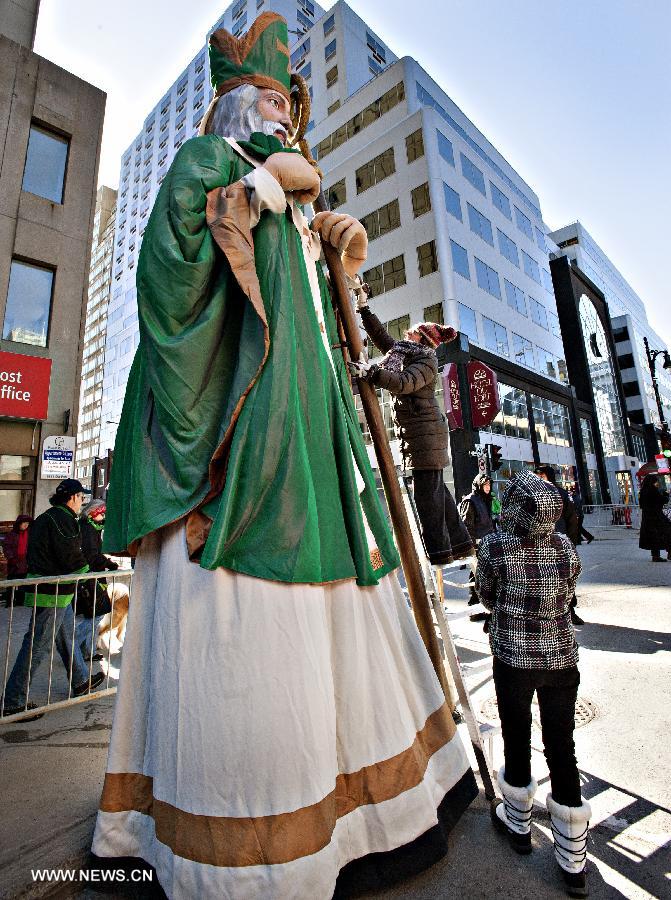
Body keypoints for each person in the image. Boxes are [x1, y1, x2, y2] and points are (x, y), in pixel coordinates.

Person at [91, 14, 476, 898]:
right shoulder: (206, 166)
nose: (283, 116)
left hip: (312, 433)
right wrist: (260, 189)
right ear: (237, 106)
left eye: (286, 105)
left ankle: (370, 809)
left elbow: (319, 319)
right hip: (250, 433)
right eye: (269, 99)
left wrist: (327, 238)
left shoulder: (287, 192)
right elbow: (170, 280)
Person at [476, 470, 591, 898]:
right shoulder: (564, 547)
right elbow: (569, 591)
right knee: (563, 747)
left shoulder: (495, 546)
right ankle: (573, 858)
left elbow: (487, 595)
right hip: (562, 659)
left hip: (513, 659)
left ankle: (519, 825)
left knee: (516, 737)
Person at [352, 305, 474, 566]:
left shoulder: (426, 361)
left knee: (427, 498)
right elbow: (384, 339)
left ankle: (440, 553)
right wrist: (365, 311)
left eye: (413, 333)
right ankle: (462, 544)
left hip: (425, 436)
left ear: (424, 340)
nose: (407, 335)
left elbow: (404, 383)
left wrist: (371, 372)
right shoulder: (406, 353)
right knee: (438, 494)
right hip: (422, 435)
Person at [2, 480, 105, 718]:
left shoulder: (49, 516)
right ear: (72, 497)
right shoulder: (63, 519)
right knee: (36, 647)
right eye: (81, 498)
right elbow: (71, 556)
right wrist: (89, 575)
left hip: (56, 591)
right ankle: (13, 701)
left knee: (65, 637)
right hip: (53, 593)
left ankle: (80, 681)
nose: (82, 503)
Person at [535, 465, 583, 625]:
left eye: (541, 476)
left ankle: (570, 610)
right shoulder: (534, 495)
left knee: (564, 578)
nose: (539, 479)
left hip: (559, 544)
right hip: (540, 544)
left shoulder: (561, 494)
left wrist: (571, 543)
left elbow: (572, 520)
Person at [74, 501, 121, 661]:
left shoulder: (91, 527)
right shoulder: (88, 529)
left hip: (93, 575)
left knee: (93, 614)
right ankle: (73, 644)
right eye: (102, 513)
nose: (104, 516)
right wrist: (109, 564)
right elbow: (92, 554)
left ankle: (87, 650)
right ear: (94, 513)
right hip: (91, 576)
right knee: (97, 614)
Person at [458, 473, 496, 622]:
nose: (487, 487)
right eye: (484, 484)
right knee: (476, 576)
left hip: (488, 544)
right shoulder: (470, 501)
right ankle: (474, 609)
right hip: (478, 546)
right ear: (478, 485)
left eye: (488, 484)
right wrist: (471, 548)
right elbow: (467, 526)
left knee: (484, 576)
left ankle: (481, 607)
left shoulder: (485, 500)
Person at [638, 473, 671, 561]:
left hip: (647, 518)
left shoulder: (643, 491)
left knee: (653, 537)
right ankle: (670, 553)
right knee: (668, 532)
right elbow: (663, 500)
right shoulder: (653, 490)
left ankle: (655, 556)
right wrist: (666, 494)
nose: (657, 483)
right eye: (656, 481)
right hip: (657, 517)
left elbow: (641, 505)